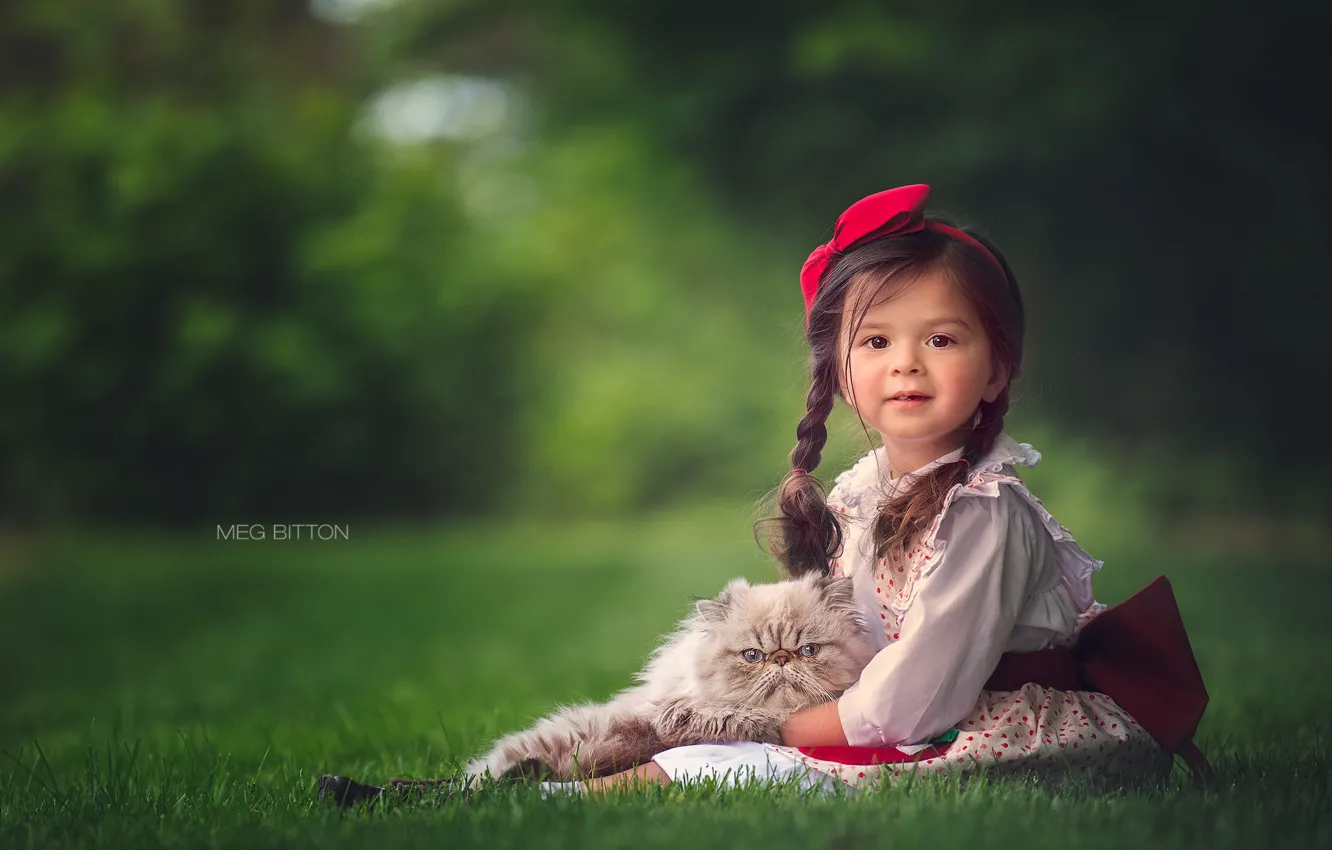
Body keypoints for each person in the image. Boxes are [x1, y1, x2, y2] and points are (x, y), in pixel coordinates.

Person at [535, 184, 1210, 797]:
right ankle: (526, 776)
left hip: (988, 730)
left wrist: (773, 730)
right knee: (689, 739)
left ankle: (561, 801)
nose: (906, 363)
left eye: (941, 339)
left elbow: (919, 698)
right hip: (909, 710)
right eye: (877, 340)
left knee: (728, 765)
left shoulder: (985, 515)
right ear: (839, 371)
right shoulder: (866, 491)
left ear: (998, 369)